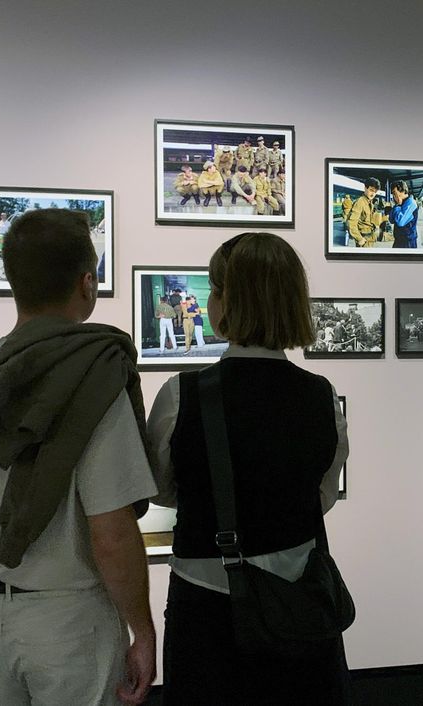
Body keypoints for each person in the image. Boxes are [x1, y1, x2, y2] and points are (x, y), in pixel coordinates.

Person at [0, 209, 157, 706]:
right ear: (87, 283)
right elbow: (110, 532)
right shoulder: (96, 376)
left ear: (12, 281)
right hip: (68, 618)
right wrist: (143, 629)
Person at [147, 232, 352, 705]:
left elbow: (161, 490)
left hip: (206, 601)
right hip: (299, 597)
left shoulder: (183, 394)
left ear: (225, 300)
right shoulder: (321, 395)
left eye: (214, 289)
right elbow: (321, 496)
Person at [346, 177, 380, 248]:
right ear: (365, 188)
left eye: (375, 192)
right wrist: (359, 238)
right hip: (363, 238)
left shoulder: (370, 203)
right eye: (371, 190)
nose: (373, 194)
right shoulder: (360, 202)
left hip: (370, 237)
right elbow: (351, 222)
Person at [388, 180, 419, 248]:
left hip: (408, 242)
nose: (394, 196)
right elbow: (391, 220)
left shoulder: (411, 203)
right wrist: (396, 206)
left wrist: (398, 206)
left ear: (403, 191)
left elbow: (400, 222)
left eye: (395, 193)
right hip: (398, 240)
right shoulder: (399, 203)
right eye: (393, 194)